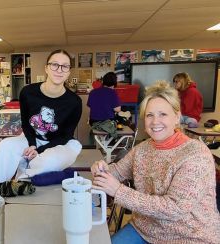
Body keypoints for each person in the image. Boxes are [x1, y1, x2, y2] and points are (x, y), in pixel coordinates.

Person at [91, 80, 220, 243]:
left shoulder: (196, 155)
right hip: (145, 229)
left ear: (177, 117)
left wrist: (118, 191)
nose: (155, 121)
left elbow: (174, 208)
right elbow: (117, 172)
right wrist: (102, 170)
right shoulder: (142, 149)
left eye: (163, 114)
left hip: (190, 236)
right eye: (149, 115)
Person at [0, 49, 82, 190]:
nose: (59, 70)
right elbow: (26, 124)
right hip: (31, 137)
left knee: (48, 162)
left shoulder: (74, 102)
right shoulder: (28, 92)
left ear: (68, 72)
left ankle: (20, 181)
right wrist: (32, 145)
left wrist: (40, 150)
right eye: (54, 64)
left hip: (60, 142)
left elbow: (65, 136)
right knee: (4, 147)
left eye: (65, 66)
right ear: (46, 68)